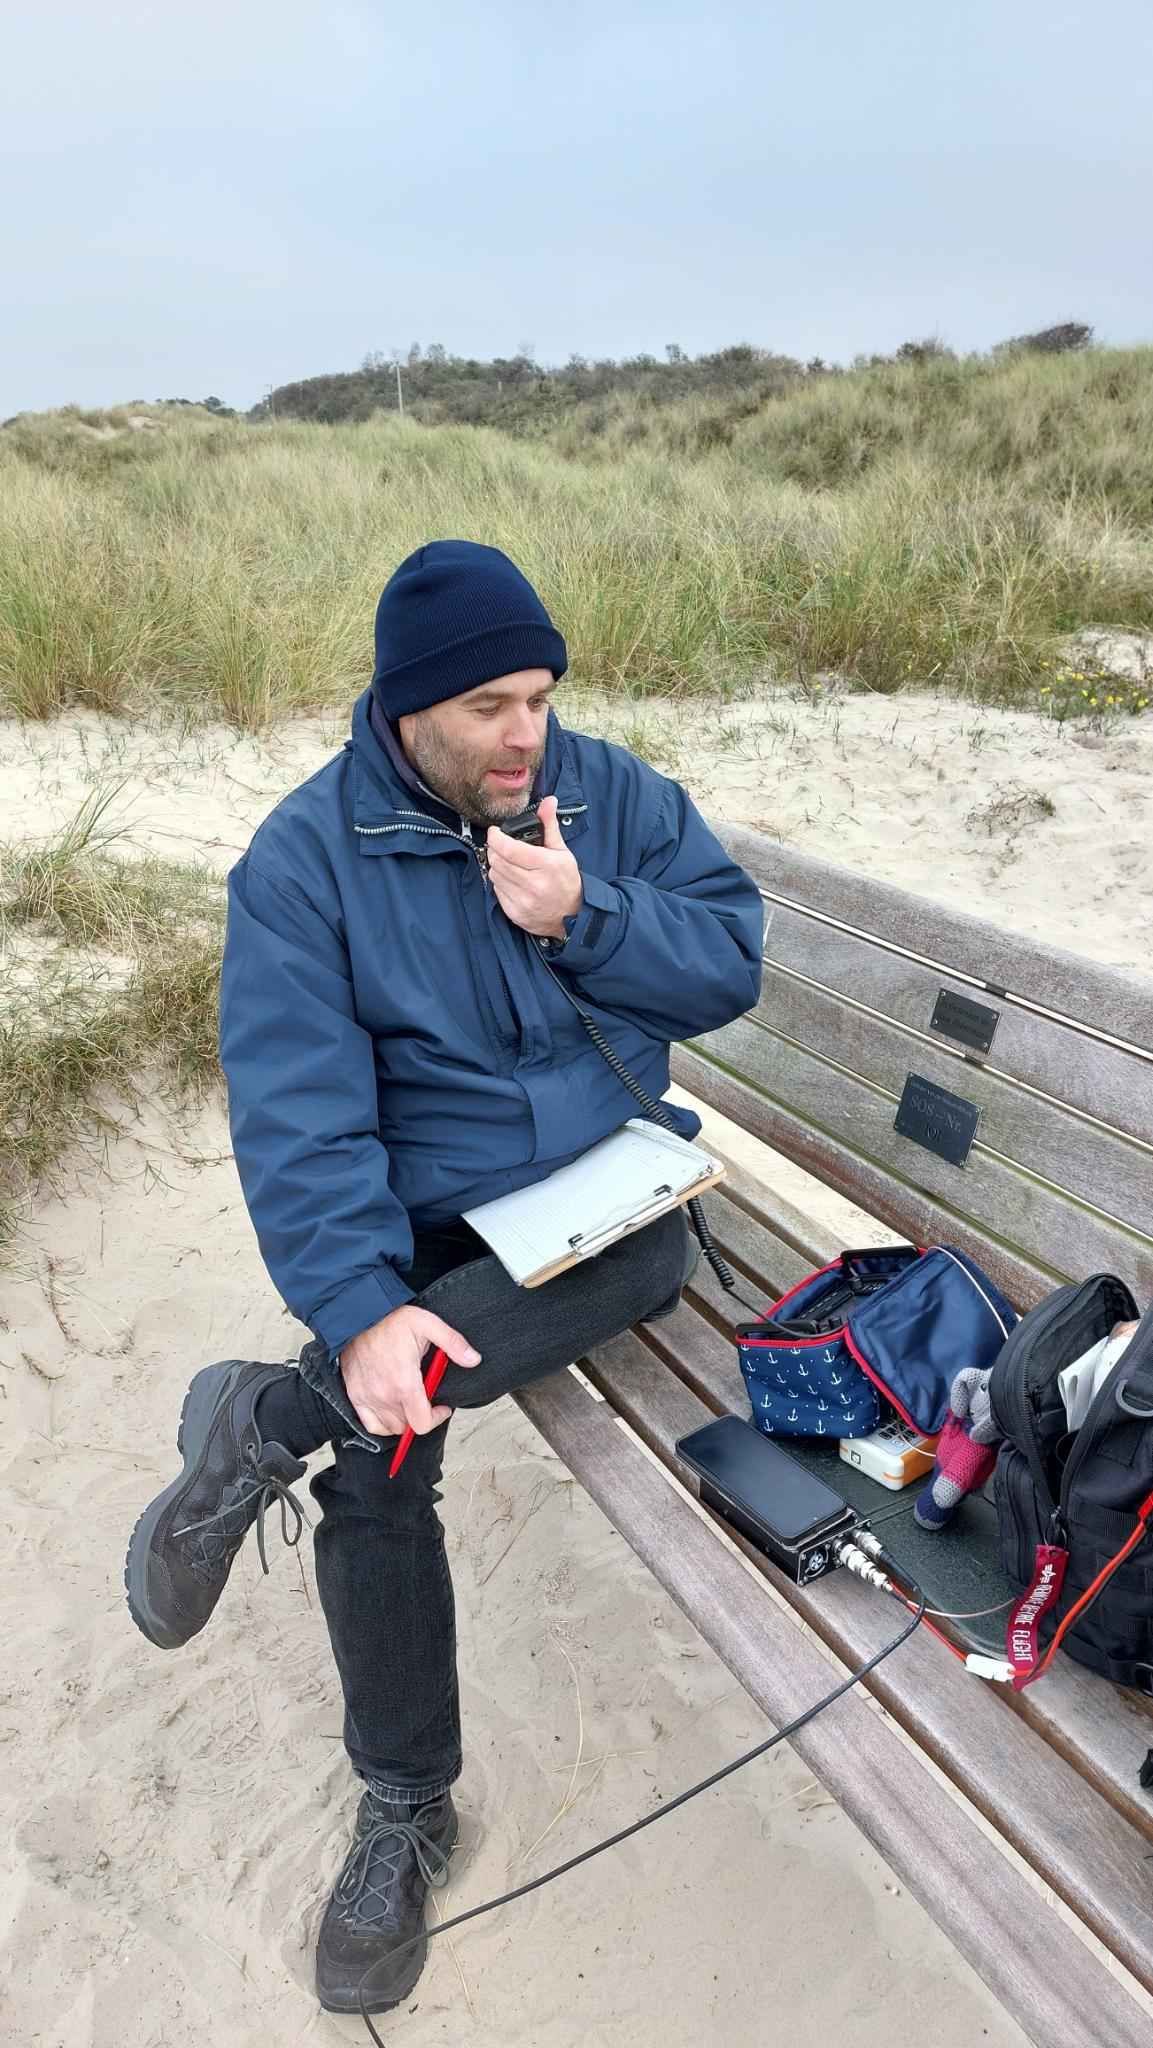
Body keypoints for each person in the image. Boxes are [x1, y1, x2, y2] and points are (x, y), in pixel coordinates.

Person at [124, 540, 763, 2015]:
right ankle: (408, 1804)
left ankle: (266, 1418)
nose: (526, 734)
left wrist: (586, 915)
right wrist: (358, 1309)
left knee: (654, 1255)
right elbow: (301, 1115)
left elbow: (728, 966)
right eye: (488, 706)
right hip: (424, 1216)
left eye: (540, 696)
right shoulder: (302, 865)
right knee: (383, 1445)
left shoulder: (610, 796)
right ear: (408, 706)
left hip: (601, 1193)